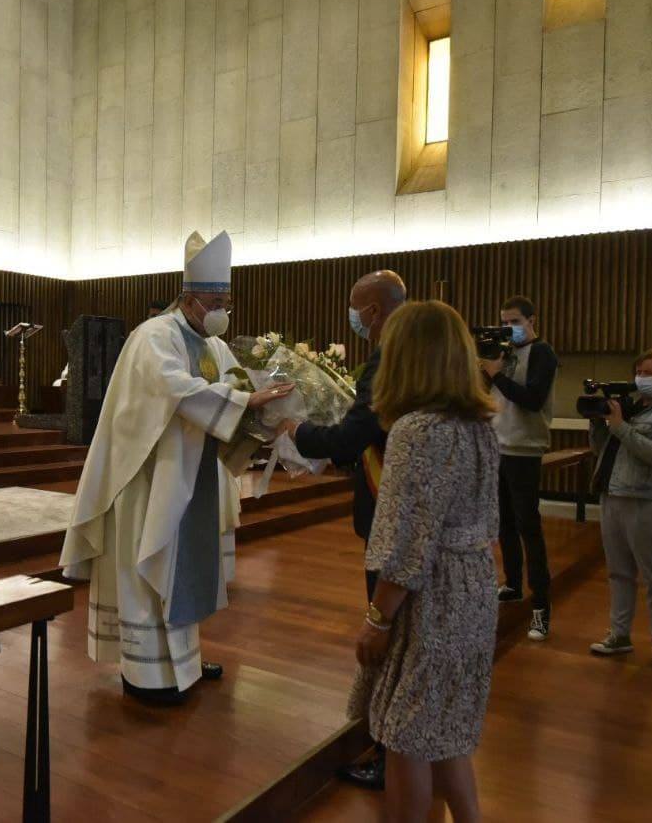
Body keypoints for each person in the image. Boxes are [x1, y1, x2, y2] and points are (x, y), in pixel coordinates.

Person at [60, 231, 293, 705]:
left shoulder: (211, 343)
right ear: (189, 298)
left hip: (194, 475)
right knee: (153, 566)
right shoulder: (155, 337)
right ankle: (144, 674)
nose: (222, 309)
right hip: (151, 477)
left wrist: (270, 411)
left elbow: (239, 390)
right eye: (214, 300)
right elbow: (175, 390)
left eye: (227, 299)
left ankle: (183, 662)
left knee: (184, 571)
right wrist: (246, 400)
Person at [351, 300, 499, 823]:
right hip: (476, 582)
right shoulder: (478, 424)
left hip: (432, 593)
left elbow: (406, 541)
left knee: (405, 735)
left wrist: (377, 618)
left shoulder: (417, 430)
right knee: (445, 725)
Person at [279, 269, 406, 790]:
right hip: (399, 500)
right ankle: (393, 745)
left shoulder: (387, 356)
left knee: (387, 631)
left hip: (390, 504)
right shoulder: (413, 353)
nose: (354, 319)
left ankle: (389, 749)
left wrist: (300, 433)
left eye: (356, 310)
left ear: (372, 311)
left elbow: (359, 433)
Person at [588, 348, 652, 671]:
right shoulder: (629, 409)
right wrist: (600, 423)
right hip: (613, 495)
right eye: (639, 372)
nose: (641, 378)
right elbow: (600, 450)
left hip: (648, 501)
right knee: (619, 573)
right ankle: (619, 634)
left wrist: (619, 426)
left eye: (649, 373)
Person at [480, 295, 558, 641]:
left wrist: (497, 376)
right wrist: (488, 371)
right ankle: (512, 583)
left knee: (529, 524)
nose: (509, 328)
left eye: (514, 321)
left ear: (531, 320)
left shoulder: (542, 353)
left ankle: (541, 606)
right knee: (504, 522)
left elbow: (532, 399)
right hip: (498, 444)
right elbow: (489, 395)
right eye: (504, 321)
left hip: (524, 448)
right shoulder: (504, 353)